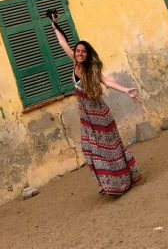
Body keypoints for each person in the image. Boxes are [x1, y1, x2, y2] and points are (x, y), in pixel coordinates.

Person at [48, 10, 142, 195]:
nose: (80, 53)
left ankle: (122, 182)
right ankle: (108, 183)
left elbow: (108, 81)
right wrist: (53, 25)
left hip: (100, 116)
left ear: (88, 54)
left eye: (83, 52)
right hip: (86, 117)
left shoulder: (92, 69)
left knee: (110, 149)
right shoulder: (74, 63)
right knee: (91, 150)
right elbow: (62, 43)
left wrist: (126, 90)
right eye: (78, 51)